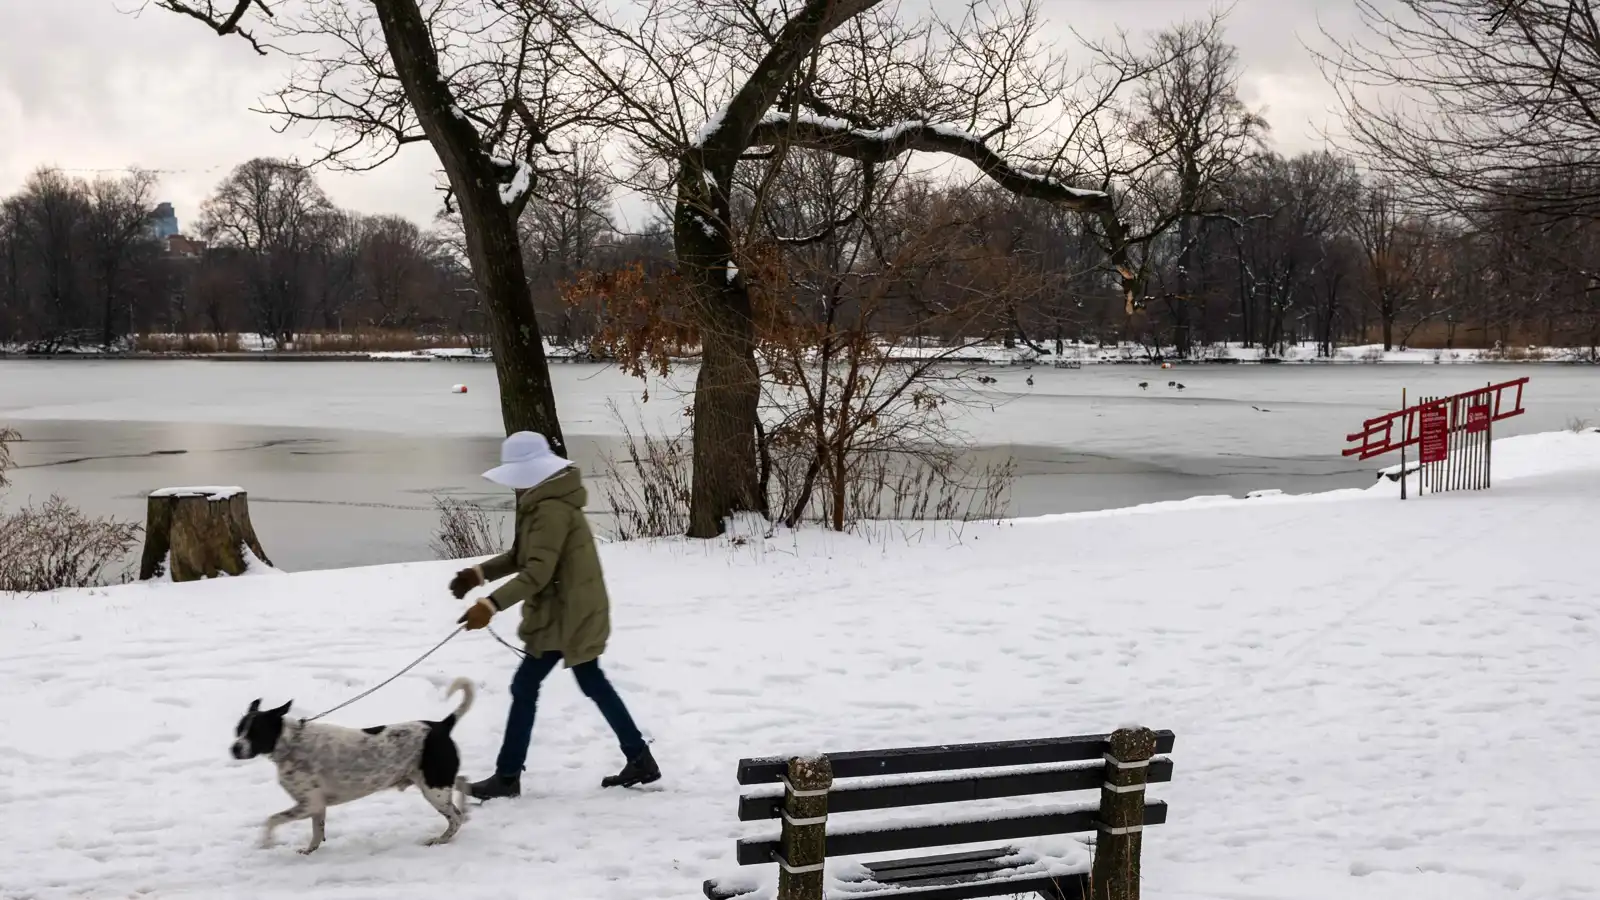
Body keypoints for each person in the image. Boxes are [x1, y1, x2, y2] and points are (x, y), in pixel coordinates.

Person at [449, 431, 659, 800]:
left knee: (530, 686)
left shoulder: (549, 509)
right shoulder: (540, 501)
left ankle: (508, 776)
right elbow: (521, 556)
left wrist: (490, 605)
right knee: (586, 682)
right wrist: (478, 575)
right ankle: (639, 757)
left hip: (569, 615)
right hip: (565, 610)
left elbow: (537, 573)